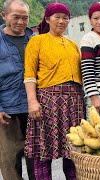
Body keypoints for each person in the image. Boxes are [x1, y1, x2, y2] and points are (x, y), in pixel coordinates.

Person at [24, 3, 84, 179]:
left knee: (74, 150)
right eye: (57, 17)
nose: (61, 21)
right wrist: (32, 101)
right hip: (48, 101)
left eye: (65, 18)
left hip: (74, 102)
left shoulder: (73, 45)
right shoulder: (37, 41)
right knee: (44, 151)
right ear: (48, 19)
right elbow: (29, 75)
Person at [0, 0, 34, 179]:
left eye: (25, 18)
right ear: (4, 15)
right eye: (16, 17)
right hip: (7, 111)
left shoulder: (34, 40)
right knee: (10, 162)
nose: (21, 22)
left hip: (33, 108)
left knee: (36, 158)